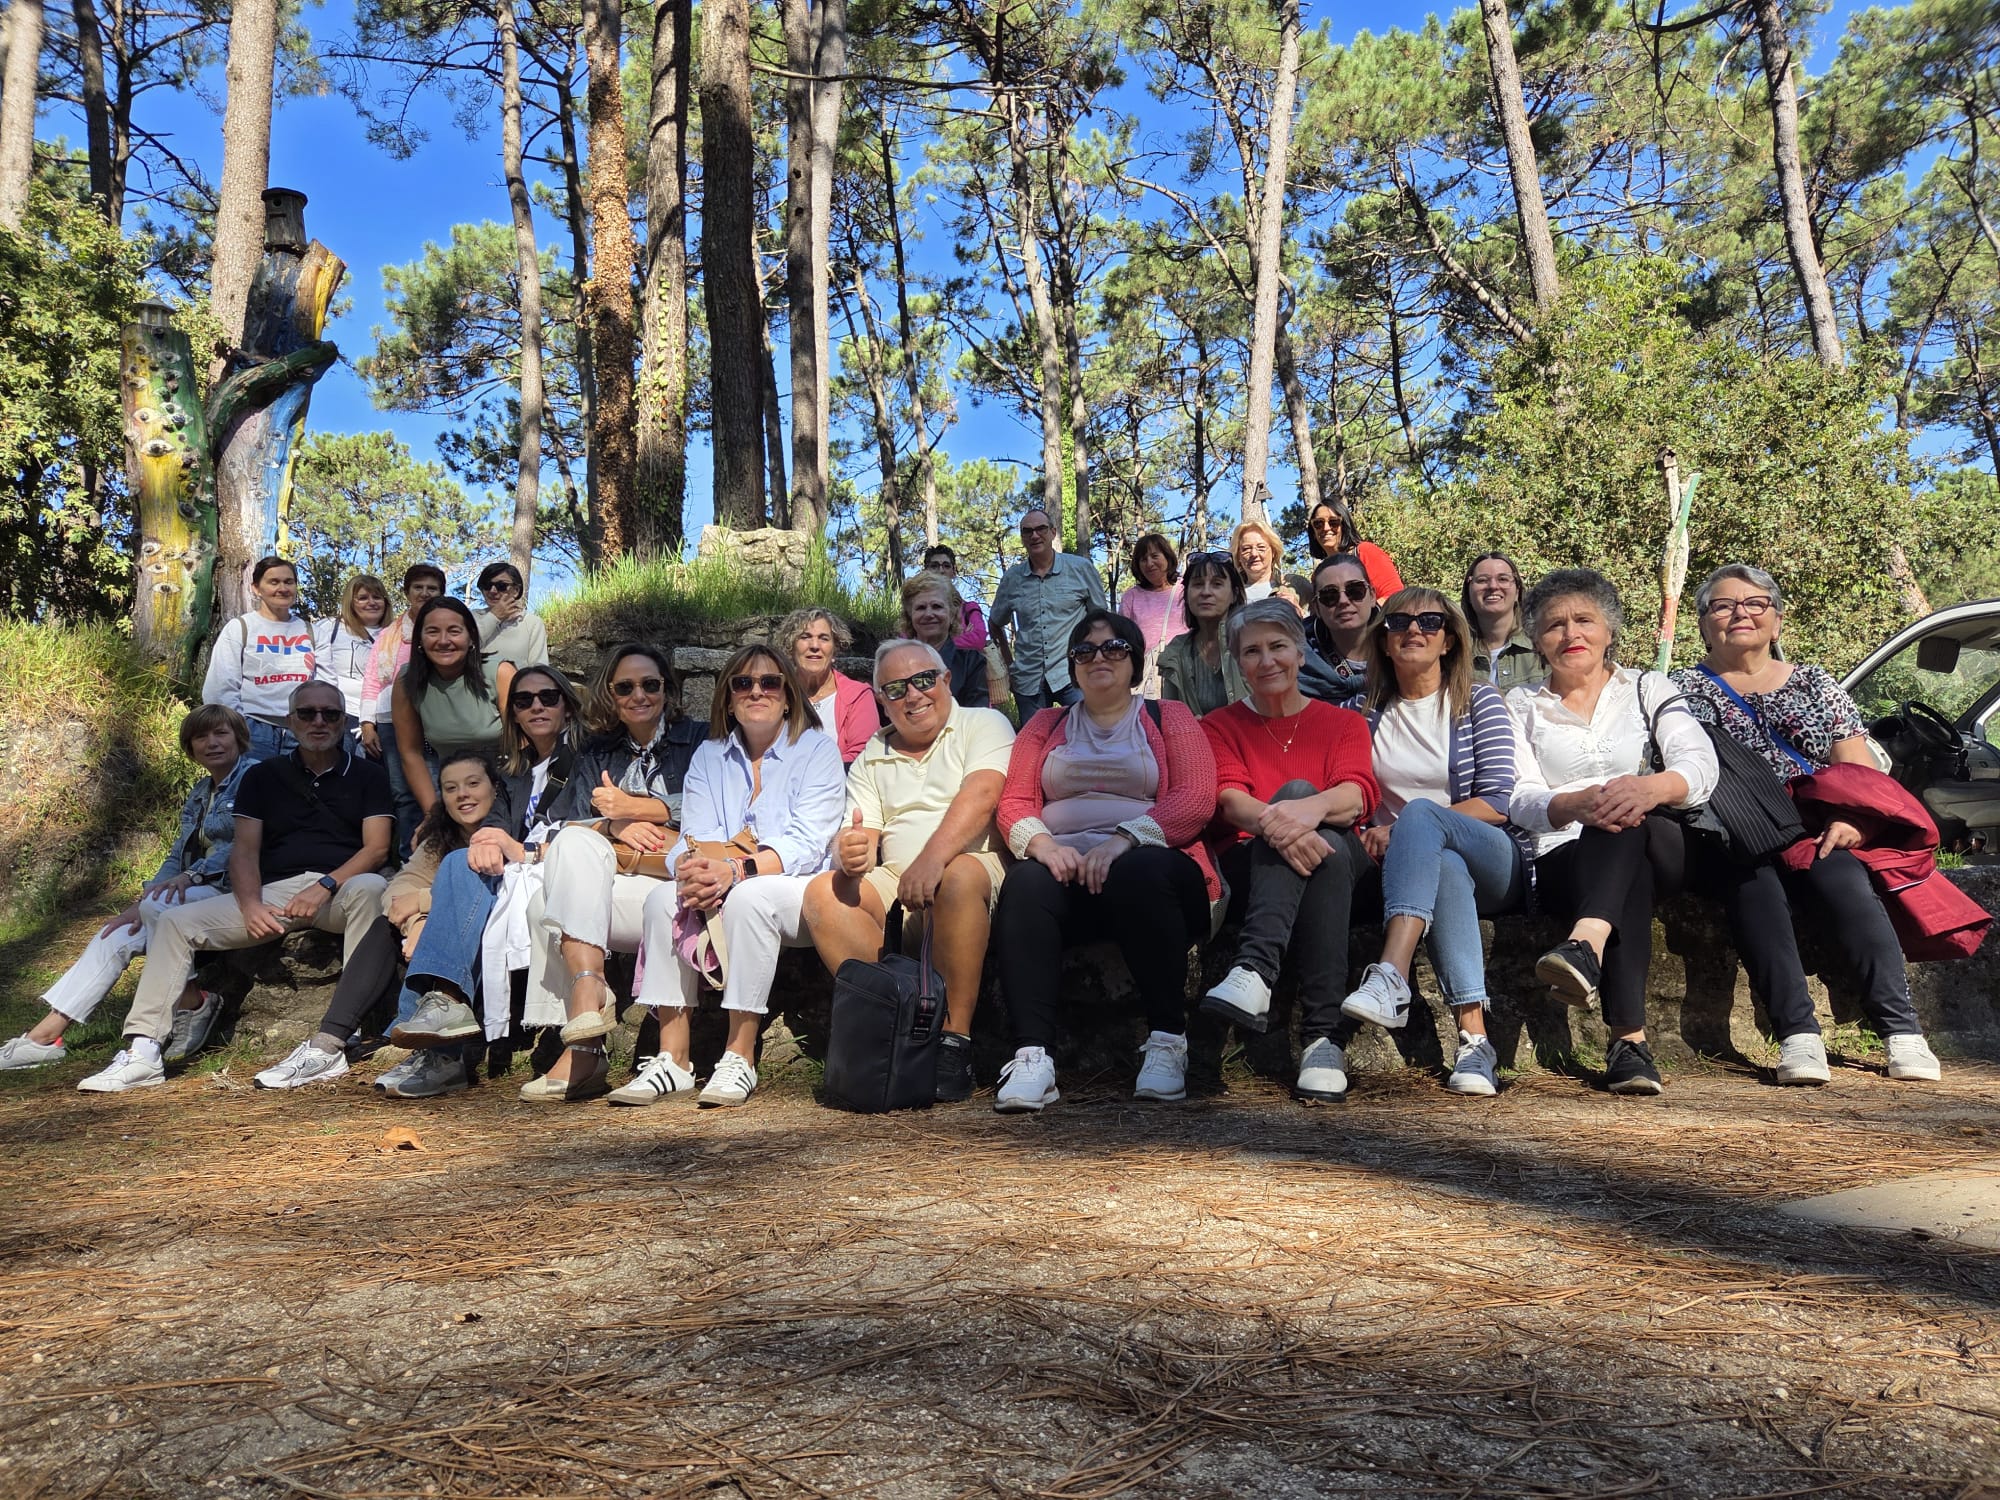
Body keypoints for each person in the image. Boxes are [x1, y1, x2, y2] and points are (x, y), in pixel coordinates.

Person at [1672, 564, 1943, 1084]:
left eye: (1755, 603)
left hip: (1816, 826)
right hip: (1733, 832)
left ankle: (1901, 1030)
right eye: (1723, 605)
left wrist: (1850, 821)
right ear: (1704, 624)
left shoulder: (1816, 683)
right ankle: (1798, 1034)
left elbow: (1857, 769)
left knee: (1844, 882)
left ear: (1776, 621)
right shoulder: (1679, 689)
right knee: (1753, 888)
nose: (1739, 614)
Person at [76, 681, 392, 1093]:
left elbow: (377, 848)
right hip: (275, 892)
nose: (319, 721)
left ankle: (344, 1029)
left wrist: (326, 885)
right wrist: (248, 905)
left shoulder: (366, 775)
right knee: (172, 922)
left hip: (341, 889)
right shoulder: (264, 777)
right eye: (308, 713)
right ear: (289, 721)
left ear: (343, 720)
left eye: (330, 714)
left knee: (370, 887)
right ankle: (143, 1051)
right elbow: (243, 851)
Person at [991, 612, 1219, 1111]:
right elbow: (1013, 803)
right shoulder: (1044, 723)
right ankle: (1033, 1057)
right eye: (1085, 650)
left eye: (1114, 647)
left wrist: (1124, 840)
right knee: (1026, 882)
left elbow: (1197, 799)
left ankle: (1166, 1042)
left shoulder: (1168, 717)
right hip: (1067, 870)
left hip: (1155, 872)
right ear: (1072, 666)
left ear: (1135, 660)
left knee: (1140, 870)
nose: (1099, 657)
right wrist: (1046, 846)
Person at [1506, 570, 1718, 1095]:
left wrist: (1649, 790)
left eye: (1584, 620)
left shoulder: (1648, 687)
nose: (1570, 633)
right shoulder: (1518, 705)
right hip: (1563, 855)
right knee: (1618, 838)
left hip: (1657, 833)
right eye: (1554, 625)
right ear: (1537, 640)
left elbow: (1699, 766)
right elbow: (1517, 796)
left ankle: (1584, 945)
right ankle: (1629, 1043)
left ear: (1609, 630)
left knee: (1625, 814)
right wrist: (1578, 803)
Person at [627, 646, 846, 1109]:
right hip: (723, 877)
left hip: (796, 887)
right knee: (662, 900)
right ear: (727, 699)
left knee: (751, 897)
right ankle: (673, 1056)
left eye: (770, 683)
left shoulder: (817, 749)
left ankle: (739, 1053)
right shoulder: (709, 756)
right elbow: (695, 836)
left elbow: (807, 843)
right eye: (743, 684)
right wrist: (696, 869)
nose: (756, 692)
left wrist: (734, 871)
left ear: (789, 696)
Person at [1338, 589, 1532, 1098]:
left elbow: (1497, 800)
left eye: (1429, 620)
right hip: (1420, 868)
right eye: (1398, 621)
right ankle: (1475, 1043)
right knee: (1442, 863)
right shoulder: (1361, 710)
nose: (1413, 630)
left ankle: (1391, 973)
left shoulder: (1478, 699)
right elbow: (1347, 792)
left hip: (1493, 856)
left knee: (1422, 815)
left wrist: (1405, 827)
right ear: (1382, 638)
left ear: (1449, 639)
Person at [365, 664, 590, 1099]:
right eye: (523, 700)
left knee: (456, 865)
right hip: (523, 871)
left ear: (567, 706)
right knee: (459, 860)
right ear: (515, 716)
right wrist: (488, 839)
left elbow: (588, 826)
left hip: (568, 866)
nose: (536, 706)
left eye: (548, 697)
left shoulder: (587, 757)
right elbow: (497, 826)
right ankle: (441, 1041)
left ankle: (441, 1038)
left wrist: (514, 847)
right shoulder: (514, 774)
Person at [803, 640, 1016, 1102]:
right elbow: (859, 833)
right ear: (880, 699)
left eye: (923, 680)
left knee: (957, 877)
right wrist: (851, 853)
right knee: (825, 895)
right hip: (901, 878)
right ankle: (896, 1024)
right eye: (896, 688)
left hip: (973, 870)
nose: (913, 695)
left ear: (946, 680)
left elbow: (982, 797)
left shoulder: (983, 723)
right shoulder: (871, 754)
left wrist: (932, 860)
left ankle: (951, 1042)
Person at [0, 707, 254, 1072]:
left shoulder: (255, 779)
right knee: (115, 934)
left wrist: (192, 877)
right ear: (190, 747)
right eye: (201, 737)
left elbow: (247, 845)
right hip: (198, 888)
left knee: (160, 910)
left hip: (232, 889)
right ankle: (44, 1038)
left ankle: (193, 1002)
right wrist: (146, 897)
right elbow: (177, 853)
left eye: (221, 734)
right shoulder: (202, 791)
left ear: (239, 738)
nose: (211, 743)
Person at [1195, 600, 1379, 1102]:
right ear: (1237, 662)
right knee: (1323, 848)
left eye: (1278, 646)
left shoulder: (1343, 722)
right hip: (1253, 861)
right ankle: (1324, 1037)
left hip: (1343, 859)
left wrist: (1299, 811)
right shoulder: (1218, 725)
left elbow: (1356, 795)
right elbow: (1229, 801)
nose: (1267, 660)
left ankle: (1254, 971)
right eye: (1251, 651)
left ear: (1299, 653)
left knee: (1316, 821)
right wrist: (1287, 826)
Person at [254, 750, 505, 1091]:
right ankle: (328, 1045)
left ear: (495, 787)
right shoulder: (440, 838)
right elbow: (398, 891)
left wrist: (425, 903)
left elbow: (501, 887)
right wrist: (417, 922)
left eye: (473, 783)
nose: (463, 794)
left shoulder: (507, 829)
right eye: (450, 787)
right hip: (436, 937)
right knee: (384, 927)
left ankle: (441, 1058)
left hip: (497, 934)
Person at [518, 645, 705, 1102]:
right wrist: (614, 824)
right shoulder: (596, 750)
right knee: (561, 867)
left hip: (680, 880)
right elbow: (572, 822)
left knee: (549, 905)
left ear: (667, 688)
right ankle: (589, 999)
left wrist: (643, 808)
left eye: (650, 684)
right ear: (612, 694)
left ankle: (584, 1047)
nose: (638, 694)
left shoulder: (700, 740)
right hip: (624, 879)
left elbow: (715, 806)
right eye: (626, 687)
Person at [391, 596, 513, 821]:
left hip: (509, 784)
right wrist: (433, 815)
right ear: (419, 639)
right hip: (454, 791)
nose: (444, 640)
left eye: (454, 631)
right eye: (433, 631)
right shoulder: (407, 681)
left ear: (471, 638)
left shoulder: (501, 674)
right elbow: (410, 753)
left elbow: (525, 747)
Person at [360, 564, 447, 852]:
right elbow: (373, 679)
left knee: (436, 787)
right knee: (402, 793)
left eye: (431, 588)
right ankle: (410, 856)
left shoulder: (445, 630)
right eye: (418, 587)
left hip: (433, 716)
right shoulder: (389, 635)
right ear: (407, 592)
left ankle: (439, 852)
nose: (424, 593)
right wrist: (367, 723)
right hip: (389, 720)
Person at [990, 508, 1108, 717]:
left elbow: (1100, 620)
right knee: (1035, 744)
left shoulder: (1081, 569)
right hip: (1028, 679)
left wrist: (1093, 658)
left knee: (1087, 736)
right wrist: (1010, 666)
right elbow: (995, 623)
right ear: (1022, 538)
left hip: (1073, 673)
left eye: (1041, 529)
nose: (1034, 535)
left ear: (1053, 532)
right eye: (1027, 531)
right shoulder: (1012, 579)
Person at [202, 555, 317, 762]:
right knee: (252, 791)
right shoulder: (241, 627)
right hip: (254, 729)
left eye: (288, 582)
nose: (282, 588)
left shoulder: (310, 631)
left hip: (302, 730)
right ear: (256, 588)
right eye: (273, 582)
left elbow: (325, 682)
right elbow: (221, 686)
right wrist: (238, 728)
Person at [780, 607, 880, 764]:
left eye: (824, 638)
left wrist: (810, 771)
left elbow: (865, 754)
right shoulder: (777, 694)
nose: (814, 645)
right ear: (791, 648)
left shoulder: (858, 695)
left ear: (835, 650)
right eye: (805, 637)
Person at [1156, 551, 1250, 717]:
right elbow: (1170, 717)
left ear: (1234, 594)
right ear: (1186, 594)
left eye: (1217, 584)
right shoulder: (1175, 653)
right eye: (1198, 584)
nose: (1206, 592)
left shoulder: (1251, 645)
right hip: (1193, 742)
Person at [313, 574, 389, 742]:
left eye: (377, 597)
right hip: (337, 715)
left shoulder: (394, 634)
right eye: (362, 598)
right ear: (350, 602)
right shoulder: (329, 627)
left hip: (380, 719)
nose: (371, 602)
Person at [901, 572, 990, 708]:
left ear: (952, 613)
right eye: (920, 608)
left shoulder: (971, 661)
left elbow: (977, 711)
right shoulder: (897, 662)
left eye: (937, 606)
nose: (929, 614)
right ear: (909, 615)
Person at [1115, 533, 1186, 700]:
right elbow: (1122, 641)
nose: (1149, 563)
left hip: (1184, 672)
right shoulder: (1131, 597)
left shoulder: (1186, 589)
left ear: (1167, 557)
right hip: (1147, 677)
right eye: (1143, 559)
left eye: (1155, 556)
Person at [1463, 553, 1545, 692]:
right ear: (1469, 593)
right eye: (1482, 580)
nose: (1493, 586)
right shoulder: (1454, 651)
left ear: (1517, 591)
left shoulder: (1541, 645)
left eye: (1503, 579)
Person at [1304, 553, 1377, 703]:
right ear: (1316, 607)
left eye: (1355, 590)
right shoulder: (1298, 664)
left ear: (1372, 596)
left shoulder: (1402, 650)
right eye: (1329, 595)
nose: (1343, 601)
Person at [1305, 499, 1403, 601]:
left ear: (1345, 526)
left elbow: (1394, 594)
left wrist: (1368, 615)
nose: (1326, 528)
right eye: (1318, 524)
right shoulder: (1318, 574)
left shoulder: (1365, 552)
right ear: (1313, 532)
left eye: (1333, 522)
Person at [473, 560, 550, 670]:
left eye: (501, 586)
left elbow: (539, 667)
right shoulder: (473, 617)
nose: (493, 591)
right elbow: (466, 646)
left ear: (516, 590)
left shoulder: (531, 623)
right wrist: (494, 617)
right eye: (487, 585)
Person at [1230, 518, 1308, 610]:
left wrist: (1299, 612)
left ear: (1273, 552)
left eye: (1261, 547)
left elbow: (1320, 620)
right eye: (1246, 549)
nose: (1254, 554)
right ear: (1238, 555)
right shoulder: (1229, 594)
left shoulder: (1296, 585)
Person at [923, 543, 988, 650]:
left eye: (946, 566)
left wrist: (930, 643)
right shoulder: (917, 607)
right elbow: (907, 642)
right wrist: (963, 638)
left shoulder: (969, 608)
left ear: (954, 572)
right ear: (926, 571)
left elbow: (978, 640)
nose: (941, 570)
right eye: (934, 566)